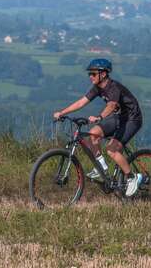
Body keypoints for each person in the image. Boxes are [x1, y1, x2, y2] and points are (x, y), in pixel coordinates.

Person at [53, 58, 144, 197]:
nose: (90, 76)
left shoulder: (113, 87)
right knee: (92, 134)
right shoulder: (97, 88)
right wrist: (62, 112)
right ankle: (102, 167)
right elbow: (81, 102)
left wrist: (99, 117)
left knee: (111, 150)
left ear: (103, 74)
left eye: (93, 74)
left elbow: (111, 106)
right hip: (119, 117)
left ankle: (132, 177)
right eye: (90, 74)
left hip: (133, 119)